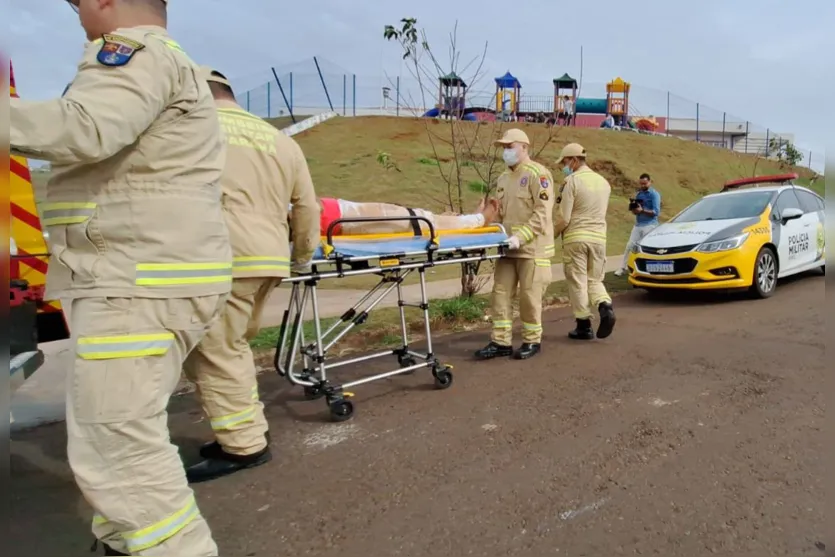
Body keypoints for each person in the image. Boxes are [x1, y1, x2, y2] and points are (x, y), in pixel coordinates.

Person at [10, 1, 230, 555]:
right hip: (148, 273)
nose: (79, 16)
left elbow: (86, 128)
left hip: (135, 278)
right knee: (113, 431)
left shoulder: (133, 53)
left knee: (118, 445)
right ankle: (122, 541)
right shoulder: (169, 63)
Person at [182, 68, 320, 484]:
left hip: (224, 254)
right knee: (232, 345)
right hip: (268, 258)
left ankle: (244, 445)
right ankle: (239, 431)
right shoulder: (280, 139)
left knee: (217, 351)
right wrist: (301, 257)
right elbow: (307, 208)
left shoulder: (194, 127)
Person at [475, 129, 555, 360]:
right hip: (507, 248)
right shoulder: (502, 178)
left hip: (532, 249)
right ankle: (500, 342)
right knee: (500, 294)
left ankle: (532, 340)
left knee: (529, 297)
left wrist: (520, 237)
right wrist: (484, 222)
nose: (506, 151)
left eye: (510, 146)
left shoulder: (538, 174)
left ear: (524, 147)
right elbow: (500, 215)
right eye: (504, 147)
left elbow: (542, 214)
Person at [553, 143, 616, 341]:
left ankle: (583, 325)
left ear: (573, 160)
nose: (564, 166)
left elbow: (564, 218)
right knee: (594, 280)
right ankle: (605, 306)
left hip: (576, 238)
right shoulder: (604, 182)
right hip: (599, 238)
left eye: (564, 162)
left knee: (578, 281)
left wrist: (551, 235)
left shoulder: (571, 181)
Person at [308, 197, 499, 237]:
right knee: (418, 221)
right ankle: (477, 220)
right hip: (341, 220)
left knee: (417, 217)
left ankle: (468, 219)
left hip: (340, 211)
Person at [615, 173, 661, 276]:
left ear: (649, 182)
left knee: (646, 248)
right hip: (638, 224)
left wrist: (642, 210)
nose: (643, 186)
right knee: (629, 246)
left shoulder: (654, 194)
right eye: (641, 184)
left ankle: (648, 269)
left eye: (645, 183)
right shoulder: (639, 194)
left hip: (650, 225)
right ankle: (623, 267)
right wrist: (635, 210)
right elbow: (637, 210)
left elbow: (656, 212)